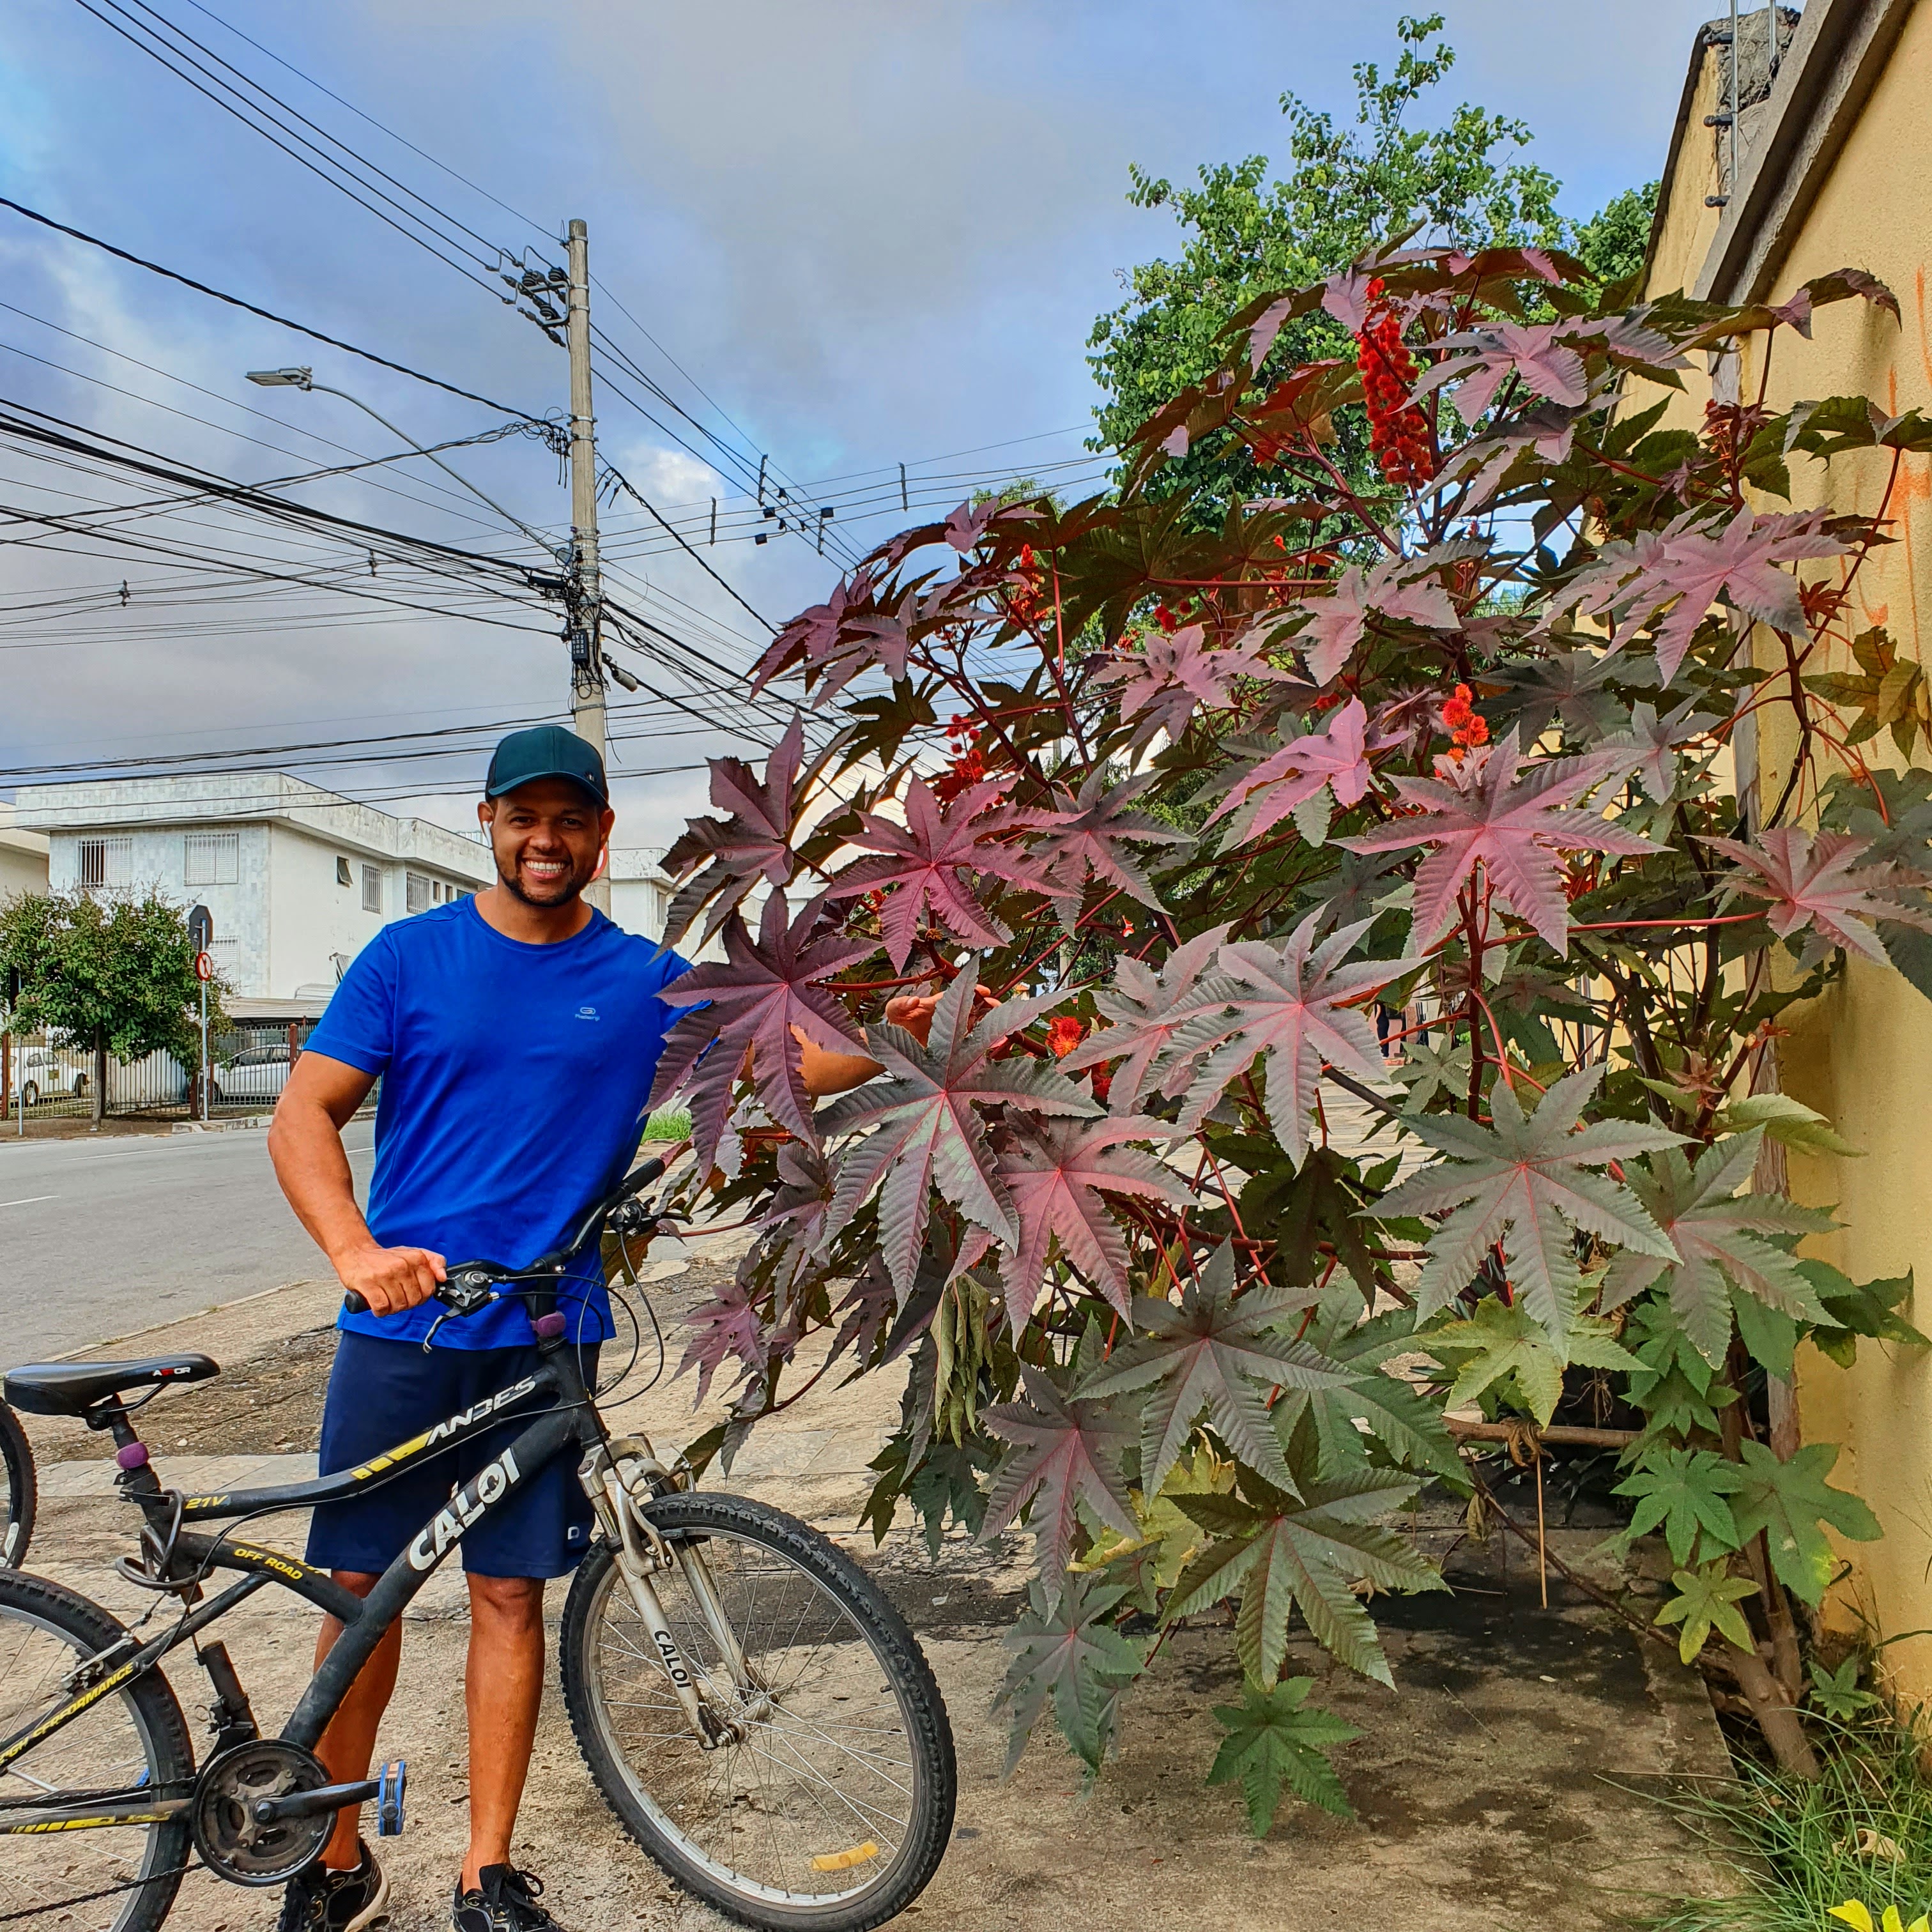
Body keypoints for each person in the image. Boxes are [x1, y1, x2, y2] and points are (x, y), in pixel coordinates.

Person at [267, 725, 926, 1932]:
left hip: (546, 1332)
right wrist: (358, 1255)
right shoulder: (410, 957)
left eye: (572, 820)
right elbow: (303, 1114)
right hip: (402, 1333)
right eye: (525, 817)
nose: (547, 840)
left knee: (511, 1597)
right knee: (359, 1594)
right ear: (489, 821)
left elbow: (787, 1050)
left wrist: (911, 1023)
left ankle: (487, 1870)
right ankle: (337, 1854)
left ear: (603, 835)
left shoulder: (644, 981)